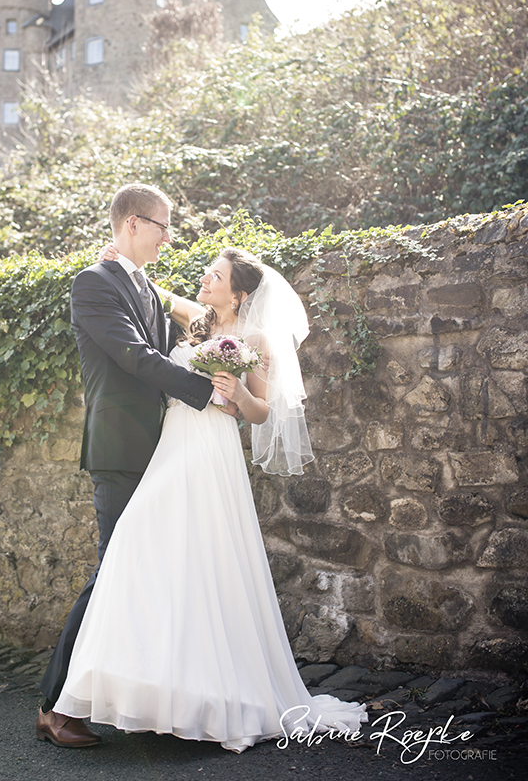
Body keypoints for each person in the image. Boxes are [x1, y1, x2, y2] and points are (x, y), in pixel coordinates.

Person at [50, 247, 368, 752]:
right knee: (144, 547)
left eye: (214, 276)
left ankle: (212, 692)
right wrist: (117, 260)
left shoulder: (256, 338)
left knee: (205, 558)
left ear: (238, 293)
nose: (205, 279)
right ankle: (155, 687)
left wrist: (238, 396)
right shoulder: (195, 324)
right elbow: (150, 291)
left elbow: (263, 412)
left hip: (212, 450)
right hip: (171, 444)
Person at [36, 184, 214, 748]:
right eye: (164, 226)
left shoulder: (141, 283)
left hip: (160, 446)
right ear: (133, 223)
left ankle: (146, 698)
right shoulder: (92, 283)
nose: (170, 236)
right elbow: (136, 358)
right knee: (112, 570)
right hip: (118, 449)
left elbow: (179, 335)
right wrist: (206, 392)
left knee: (150, 572)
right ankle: (53, 706)